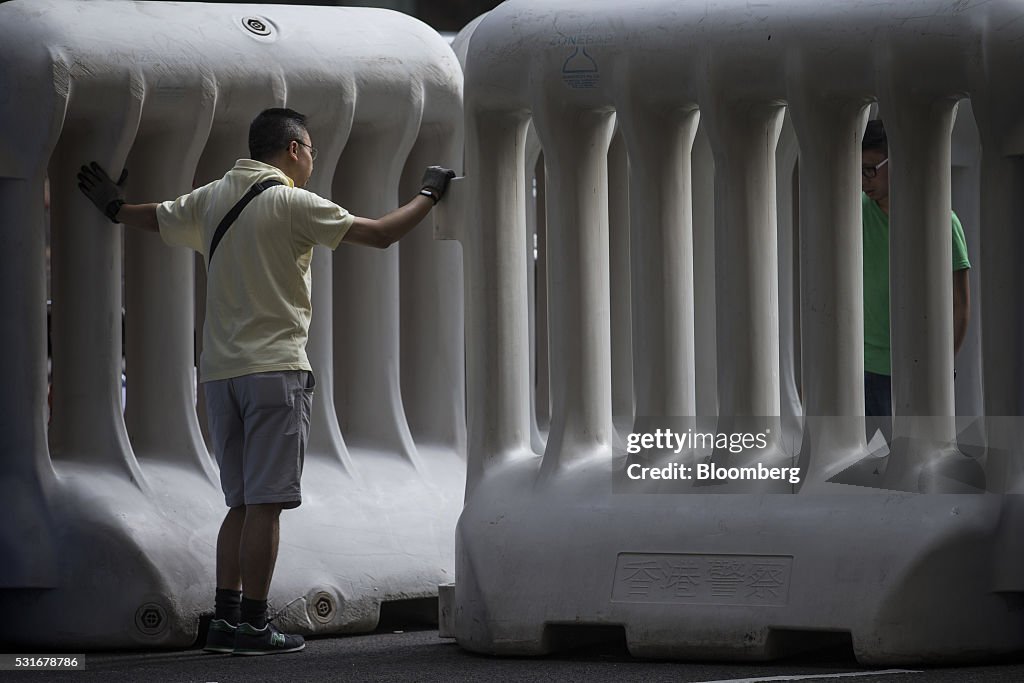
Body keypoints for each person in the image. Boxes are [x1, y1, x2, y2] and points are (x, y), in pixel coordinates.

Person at [77, 108, 455, 656]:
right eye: (312, 152)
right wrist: (430, 193)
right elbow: (380, 235)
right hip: (274, 372)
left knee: (239, 502)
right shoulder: (292, 202)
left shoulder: (211, 197)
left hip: (219, 375)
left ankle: (226, 620)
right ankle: (255, 625)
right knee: (266, 504)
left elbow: (149, 217)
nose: (312, 162)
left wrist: (111, 204)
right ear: (294, 149)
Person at [861, 119, 971, 428]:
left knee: (918, 462)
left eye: (870, 169)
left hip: (921, 369)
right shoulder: (852, 211)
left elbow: (960, 305)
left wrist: (940, 366)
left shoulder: (942, 221)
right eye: (858, 170)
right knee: (863, 468)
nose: (863, 180)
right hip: (866, 367)